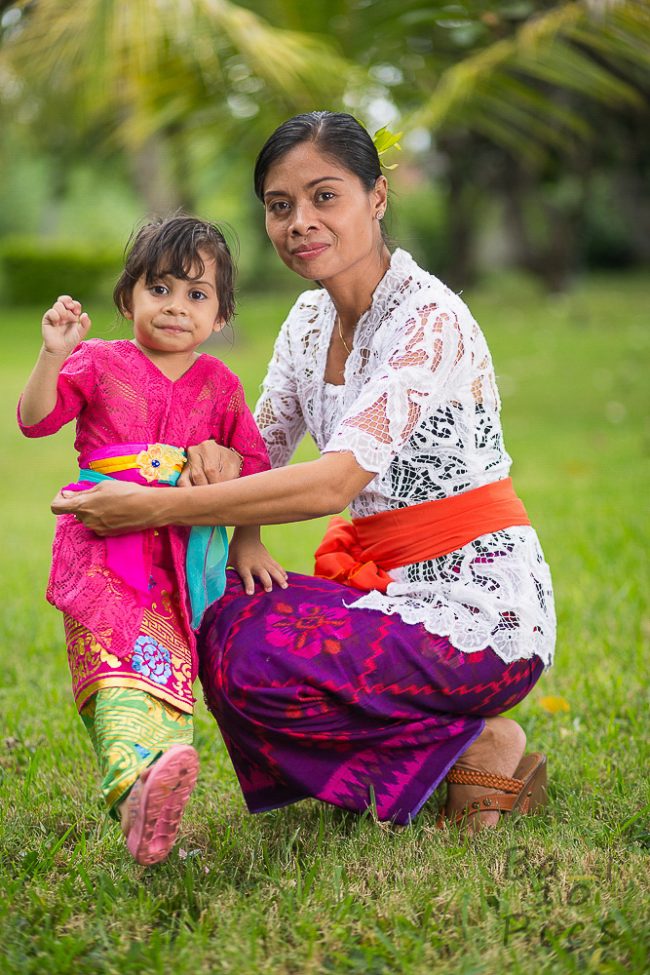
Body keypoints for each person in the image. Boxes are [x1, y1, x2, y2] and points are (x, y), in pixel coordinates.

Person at [52, 112, 556, 833]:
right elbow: (259, 449)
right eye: (280, 205)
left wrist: (152, 509)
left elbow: (330, 483)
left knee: (257, 658)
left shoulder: (429, 317)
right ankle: (465, 751)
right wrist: (208, 459)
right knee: (216, 615)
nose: (300, 222)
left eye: (326, 196)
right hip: (384, 588)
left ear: (377, 197)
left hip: (480, 612)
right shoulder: (307, 322)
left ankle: (477, 749)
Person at [19, 215, 285, 864]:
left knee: (166, 676)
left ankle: (152, 794)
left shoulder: (220, 386)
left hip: (176, 564)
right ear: (128, 296)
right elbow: (34, 420)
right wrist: (54, 352)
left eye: (197, 295)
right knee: (114, 674)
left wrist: (247, 540)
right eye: (160, 288)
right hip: (101, 553)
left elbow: (253, 467)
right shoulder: (101, 362)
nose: (175, 307)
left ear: (221, 315)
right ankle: (132, 783)